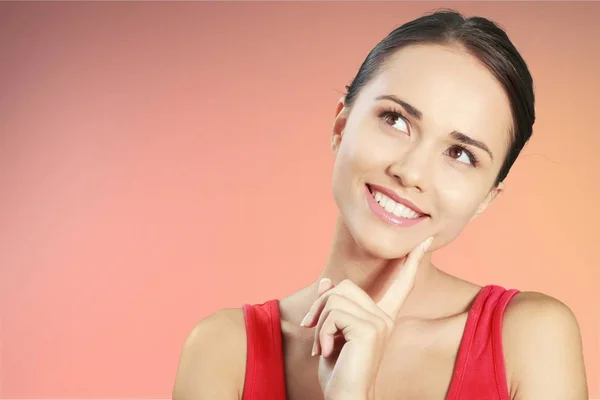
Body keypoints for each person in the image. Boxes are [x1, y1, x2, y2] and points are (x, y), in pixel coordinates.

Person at [172, 9, 588, 400]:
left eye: (460, 154)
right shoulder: (225, 351)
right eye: (396, 120)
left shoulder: (531, 337)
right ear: (341, 125)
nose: (411, 172)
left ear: (486, 199)